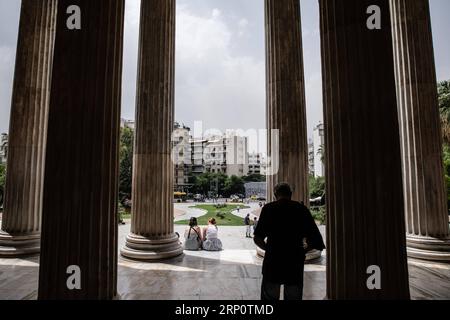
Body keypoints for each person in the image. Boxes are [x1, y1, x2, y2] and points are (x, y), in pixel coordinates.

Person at [254, 183, 325, 301]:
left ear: (275, 195)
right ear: (291, 195)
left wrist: (270, 250)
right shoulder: (301, 209)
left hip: (273, 261)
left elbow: (257, 238)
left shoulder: (268, 209)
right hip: (294, 262)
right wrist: (302, 251)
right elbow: (316, 240)